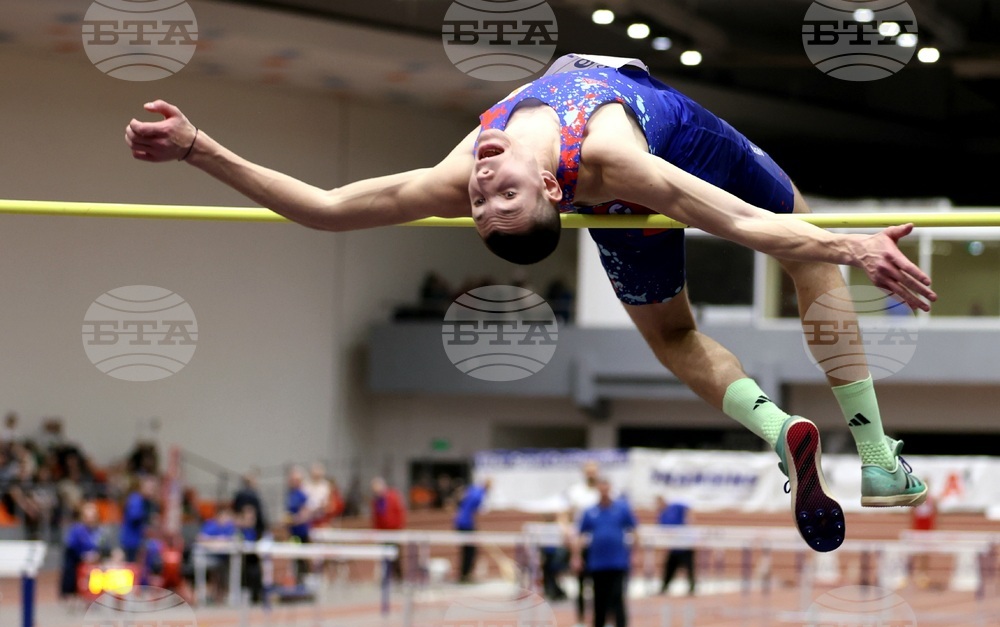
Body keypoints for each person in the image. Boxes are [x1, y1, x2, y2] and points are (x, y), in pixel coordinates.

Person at [126, 53, 935, 551]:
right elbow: (747, 223)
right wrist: (845, 243)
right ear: (553, 189)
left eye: (485, 199)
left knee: (686, 324)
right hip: (670, 148)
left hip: (638, 180)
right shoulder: (613, 160)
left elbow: (327, 207)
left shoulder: (478, 163)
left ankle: (796, 436)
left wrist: (200, 148)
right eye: (493, 194)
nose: (479, 185)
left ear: (551, 189)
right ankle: (873, 457)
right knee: (793, 224)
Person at [573, 478, 636, 627]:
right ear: (598, 491)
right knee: (598, 600)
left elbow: (634, 529)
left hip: (618, 562)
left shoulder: (621, 509)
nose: (604, 492)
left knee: (618, 599)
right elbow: (580, 535)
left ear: (610, 489)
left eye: (606, 488)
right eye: (601, 489)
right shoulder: (590, 511)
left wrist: (634, 553)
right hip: (597, 563)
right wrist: (577, 556)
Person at [565, 460, 601, 627]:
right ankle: (580, 622)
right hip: (581, 545)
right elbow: (566, 515)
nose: (591, 474)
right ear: (583, 473)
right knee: (580, 586)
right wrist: (567, 532)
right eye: (588, 471)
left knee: (601, 586)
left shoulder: (605, 492)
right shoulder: (575, 492)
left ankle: (603, 622)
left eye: (594, 471)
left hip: (599, 546)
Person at [60, 500, 105, 601]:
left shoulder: (99, 531)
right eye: (88, 516)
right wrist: (83, 556)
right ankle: (72, 593)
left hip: (95, 560)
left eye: (93, 516)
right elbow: (71, 547)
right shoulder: (76, 530)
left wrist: (98, 555)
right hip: (77, 560)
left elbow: (103, 546)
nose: (90, 519)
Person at [656, 495, 696, 596]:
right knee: (669, 567)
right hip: (674, 546)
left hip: (685, 544)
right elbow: (663, 531)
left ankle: (692, 588)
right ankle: (664, 588)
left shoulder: (675, 507)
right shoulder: (661, 515)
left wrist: (689, 521)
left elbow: (688, 509)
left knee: (689, 567)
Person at [453, 477, 491, 583]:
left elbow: (459, 496)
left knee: (466, 549)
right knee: (470, 550)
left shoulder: (472, 489)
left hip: (459, 521)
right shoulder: (480, 495)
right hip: (466, 523)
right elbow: (476, 511)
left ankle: (464, 574)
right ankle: (465, 575)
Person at [371, 477, 406, 581]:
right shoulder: (376, 501)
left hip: (394, 531)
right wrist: (376, 531)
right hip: (382, 532)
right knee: (384, 556)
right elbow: (376, 518)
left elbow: (400, 513)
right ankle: (386, 578)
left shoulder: (393, 496)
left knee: (396, 556)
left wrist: (398, 528)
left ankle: (399, 578)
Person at [119, 475, 158, 563]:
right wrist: (148, 517)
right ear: (142, 487)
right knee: (132, 567)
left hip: (139, 542)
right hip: (131, 542)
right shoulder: (135, 499)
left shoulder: (147, 502)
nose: (151, 491)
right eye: (149, 488)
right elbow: (135, 517)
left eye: (153, 488)